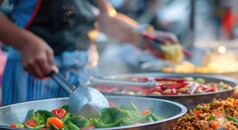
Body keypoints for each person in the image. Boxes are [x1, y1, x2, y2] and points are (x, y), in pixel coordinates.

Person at [0, 0, 180, 105]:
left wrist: (145, 37)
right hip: (35, 72)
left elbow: (105, 17)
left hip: (84, 74)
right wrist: (24, 42)